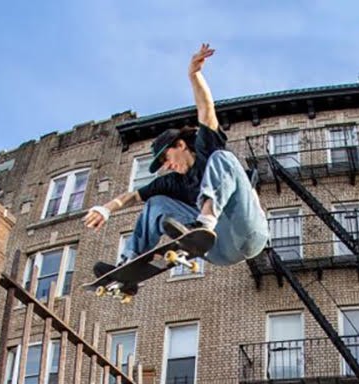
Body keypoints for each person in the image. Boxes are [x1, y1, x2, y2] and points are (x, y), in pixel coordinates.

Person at [83, 43, 269, 283]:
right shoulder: (171, 182)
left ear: (181, 145)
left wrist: (194, 75)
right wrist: (105, 209)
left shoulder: (206, 147)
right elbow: (132, 197)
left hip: (248, 231)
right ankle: (128, 265)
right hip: (219, 249)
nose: (167, 166)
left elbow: (206, 109)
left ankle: (204, 221)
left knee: (222, 158)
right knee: (155, 203)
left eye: (166, 158)